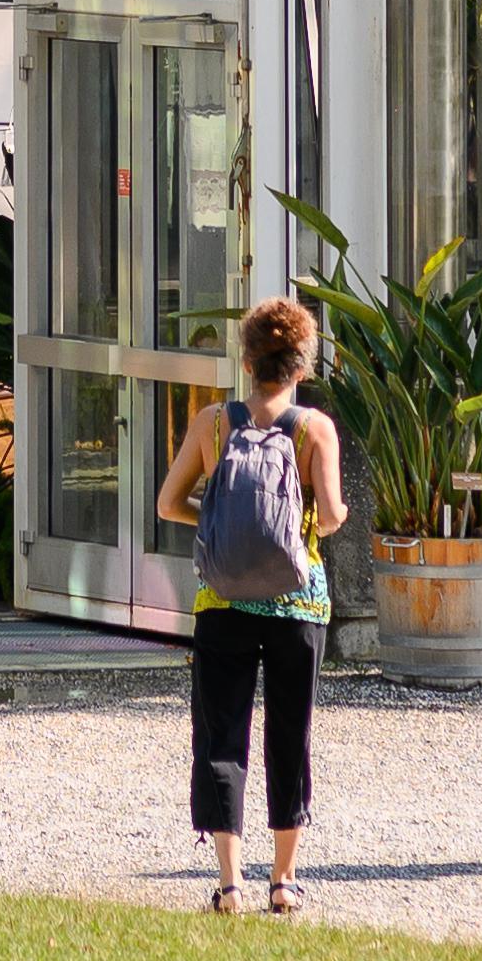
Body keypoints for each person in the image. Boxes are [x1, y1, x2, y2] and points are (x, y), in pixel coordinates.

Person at [155, 295, 348, 914]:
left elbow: (167, 504)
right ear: (302, 366)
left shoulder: (213, 423)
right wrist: (307, 526)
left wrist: (212, 522)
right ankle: (285, 881)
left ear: (246, 359)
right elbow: (335, 514)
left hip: (222, 601)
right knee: (289, 733)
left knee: (221, 735)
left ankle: (231, 884)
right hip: (299, 604)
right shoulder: (315, 428)